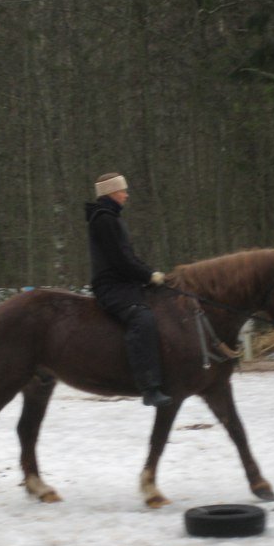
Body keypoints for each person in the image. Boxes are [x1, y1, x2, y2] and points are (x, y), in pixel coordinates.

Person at [85, 172, 172, 407]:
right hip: (111, 287)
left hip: (123, 283)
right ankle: (149, 386)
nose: (126, 195)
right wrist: (148, 275)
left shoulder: (112, 218)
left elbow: (128, 258)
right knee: (142, 318)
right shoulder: (104, 220)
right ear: (111, 193)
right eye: (122, 190)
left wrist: (151, 273)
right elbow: (121, 261)